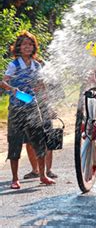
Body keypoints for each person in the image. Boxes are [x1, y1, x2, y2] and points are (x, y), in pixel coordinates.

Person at [0, 31, 56, 189]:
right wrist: (13, 89)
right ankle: (15, 179)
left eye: (30, 44)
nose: (27, 47)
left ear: (34, 47)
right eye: (24, 44)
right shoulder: (14, 65)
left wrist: (47, 104)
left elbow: (40, 86)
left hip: (32, 105)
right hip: (17, 107)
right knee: (15, 141)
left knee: (39, 140)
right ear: (18, 47)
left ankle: (43, 175)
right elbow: (3, 82)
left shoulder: (37, 65)